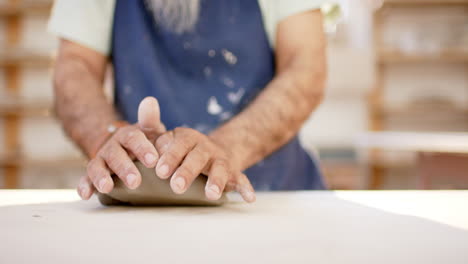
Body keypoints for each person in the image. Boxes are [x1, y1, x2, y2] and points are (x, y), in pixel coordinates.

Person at [48, 0, 327, 203]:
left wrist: (223, 151)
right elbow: (75, 65)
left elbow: (305, 67)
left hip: (274, 198)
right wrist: (106, 138)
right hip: (143, 221)